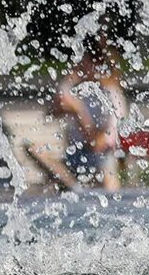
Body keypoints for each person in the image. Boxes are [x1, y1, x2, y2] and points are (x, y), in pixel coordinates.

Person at [53, 34, 128, 191]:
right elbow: (53, 109)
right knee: (33, 149)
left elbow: (99, 143)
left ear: (97, 64)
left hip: (99, 157)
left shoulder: (111, 95)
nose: (80, 65)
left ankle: (74, 186)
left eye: (84, 61)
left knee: (105, 170)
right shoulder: (80, 89)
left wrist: (80, 113)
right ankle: (71, 185)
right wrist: (70, 79)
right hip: (74, 155)